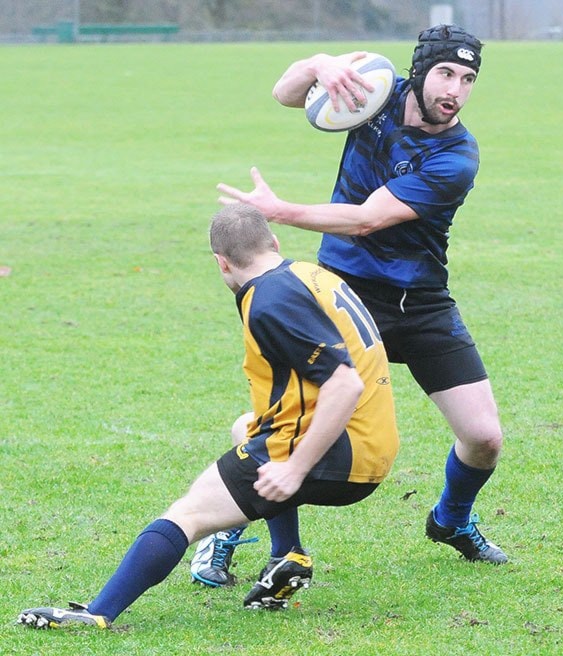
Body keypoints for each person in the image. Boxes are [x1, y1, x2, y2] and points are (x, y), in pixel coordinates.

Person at [18, 203, 399, 629]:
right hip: (373, 444)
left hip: (339, 452)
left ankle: (97, 613)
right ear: (273, 243)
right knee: (246, 427)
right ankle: (286, 556)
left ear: (221, 262)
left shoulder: (270, 299)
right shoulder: (309, 274)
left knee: (188, 514)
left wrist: (295, 467)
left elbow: (344, 384)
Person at [214, 24, 508, 566]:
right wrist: (320, 62)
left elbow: (368, 219)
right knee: (283, 423)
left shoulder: (458, 155)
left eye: (468, 79)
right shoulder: (376, 91)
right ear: (418, 72)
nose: (455, 89)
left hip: (420, 301)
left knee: (484, 437)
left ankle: (450, 520)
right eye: (445, 72)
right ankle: (241, 537)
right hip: (345, 294)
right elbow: (286, 94)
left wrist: (282, 212)